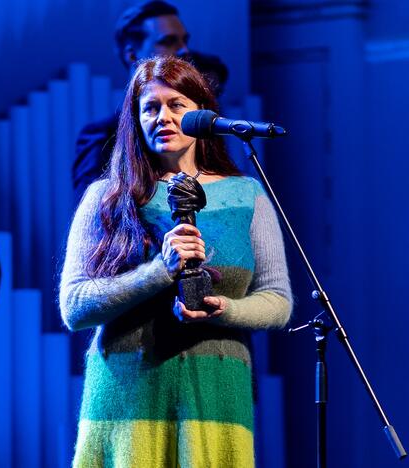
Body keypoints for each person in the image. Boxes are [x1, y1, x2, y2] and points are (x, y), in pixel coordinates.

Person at [59, 55, 292, 467]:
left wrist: (229, 310)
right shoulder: (107, 197)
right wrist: (158, 272)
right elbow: (75, 307)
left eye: (176, 105)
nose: (162, 117)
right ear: (135, 119)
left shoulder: (246, 195)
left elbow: (277, 300)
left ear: (201, 113)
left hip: (218, 391)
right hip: (128, 392)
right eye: (150, 107)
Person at [72, 0, 228, 204]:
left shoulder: (196, 126)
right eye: (168, 41)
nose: (184, 51)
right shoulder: (101, 136)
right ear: (132, 54)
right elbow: (94, 214)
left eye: (184, 40)